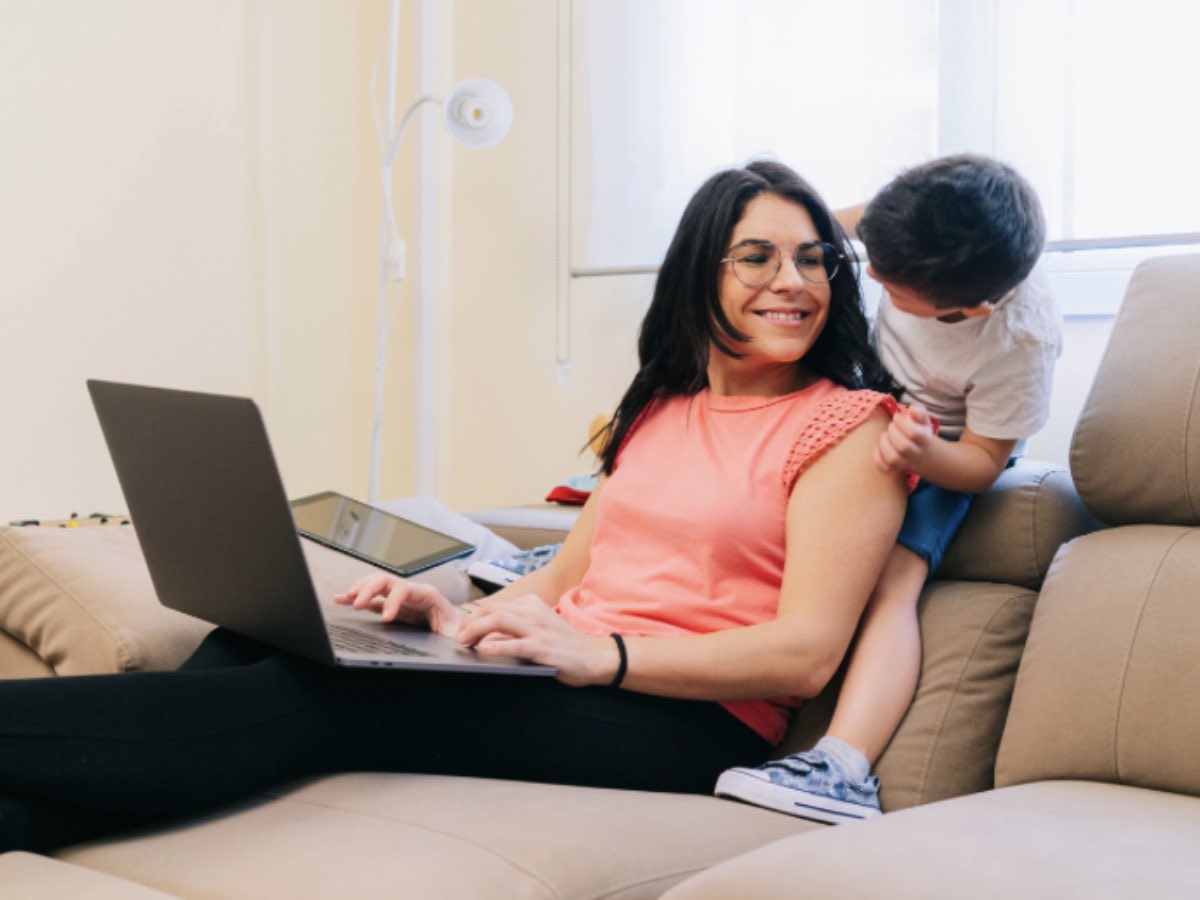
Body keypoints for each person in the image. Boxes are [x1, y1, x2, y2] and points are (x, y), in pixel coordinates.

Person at [0, 160, 910, 853]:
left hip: (684, 721)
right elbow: (560, 578)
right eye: (758, 256)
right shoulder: (660, 409)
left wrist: (603, 656)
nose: (794, 280)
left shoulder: (848, 427)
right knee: (266, 639)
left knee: (328, 700)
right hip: (558, 665)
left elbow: (805, 652)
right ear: (696, 273)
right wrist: (456, 614)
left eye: (813, 259)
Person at [715, 154, 1062, 824]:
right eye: (875, 253)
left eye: (892, 282)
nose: (870, 272)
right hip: (871, 384)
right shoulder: (912, 225)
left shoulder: (1017, 343)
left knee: (891, 579)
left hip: (950, 439)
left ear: (970, 309)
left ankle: (842, 765)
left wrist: (925, 453)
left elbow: (985, 461)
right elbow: (821, 233)